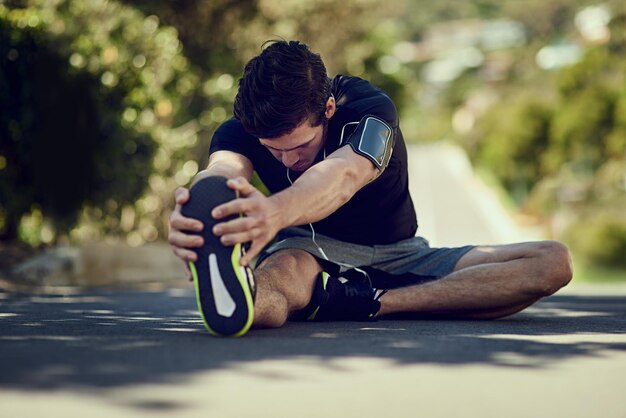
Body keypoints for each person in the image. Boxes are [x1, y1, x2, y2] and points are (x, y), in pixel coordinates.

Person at [168, 40, 573, 336]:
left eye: (301, 146)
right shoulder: (242, 131)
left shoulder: (369, 110)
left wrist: (274, 212)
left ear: (327, 109)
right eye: (274, 151)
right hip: (310, 251)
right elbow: (223, 171)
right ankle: (240, 301)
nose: (289, 160)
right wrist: (196, 211)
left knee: (552, 262)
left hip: (403, 256)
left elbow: (343, 176)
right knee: (278, 282)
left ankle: (369, 302)